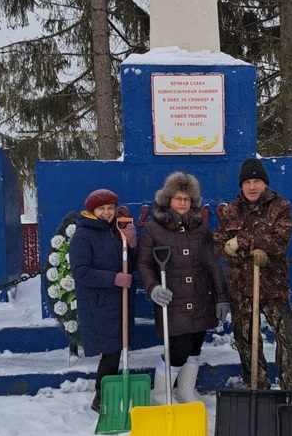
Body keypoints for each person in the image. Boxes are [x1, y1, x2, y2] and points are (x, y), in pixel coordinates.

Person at [213, 157, 292, 404]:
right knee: (246, 341)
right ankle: (257, 387)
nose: (252, 186)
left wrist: (242, 243)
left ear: (264, 183)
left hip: (273, 287)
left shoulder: (280, 207)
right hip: (241, 288)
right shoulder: (231, 210)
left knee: (287, 339)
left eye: (256, 181)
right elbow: (219, 246)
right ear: (241, 185)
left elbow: (280, 241)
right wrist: (244, 246)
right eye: (247, 182)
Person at [137, 172, 229, 405]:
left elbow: (212, 264)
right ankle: (161, 396)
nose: (182, 203)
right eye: (178, 198)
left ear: (193, 202)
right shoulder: (153, 229)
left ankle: (185, 392)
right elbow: (144, 263)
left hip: (201, 298)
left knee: (195, 347)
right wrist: (153, 288)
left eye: (187, 199)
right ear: (168, 199)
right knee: (177, 350)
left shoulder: (200, 229)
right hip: (172, 300)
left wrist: (221, 297)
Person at [69, 188, 137, 413]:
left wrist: (132, 245)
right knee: (110, 351)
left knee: (117, 348)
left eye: (110, 208)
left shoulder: (118, 230)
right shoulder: (83, 235)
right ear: (92, 211)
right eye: (102, 208)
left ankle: (109, 392)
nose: (107, 212)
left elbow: (130, 263)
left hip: (120, 299)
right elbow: (80, 271)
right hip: (98, 302)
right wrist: (114, 278)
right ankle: (101, 396)